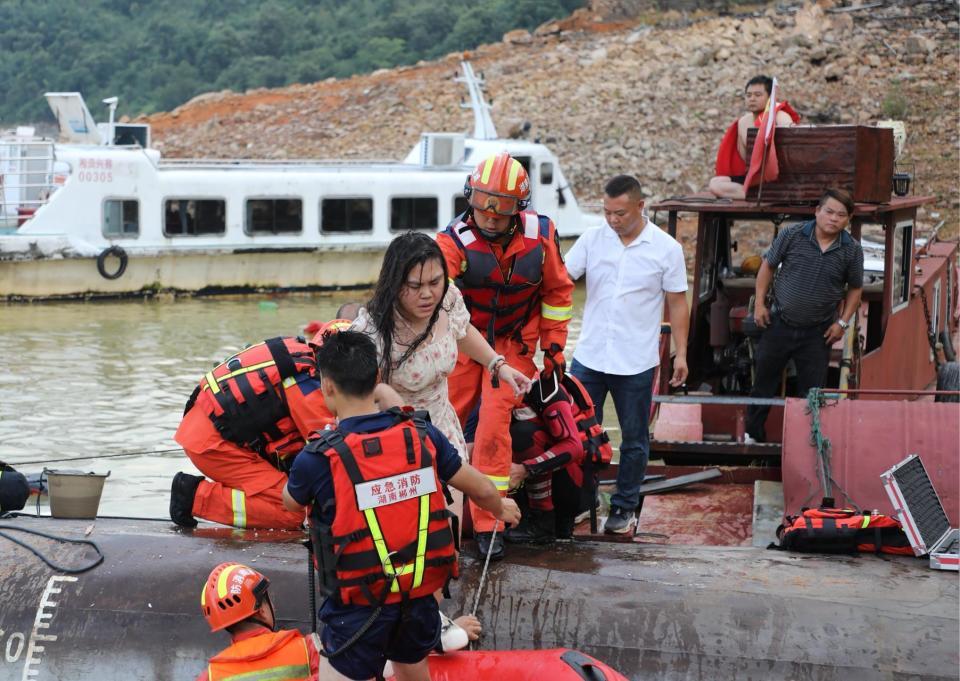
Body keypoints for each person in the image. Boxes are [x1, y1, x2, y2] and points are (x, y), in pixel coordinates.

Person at [282, 331, 521, 681]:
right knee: (412, 665)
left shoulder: (318, 457)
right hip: (419, 597)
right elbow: (481, 487)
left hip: (357, 607)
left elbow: (291, 502)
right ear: (378, 378)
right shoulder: (422, 435)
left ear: (327, 386)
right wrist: (500, 508)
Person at [350, 232, 531, 645]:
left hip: (442, 427)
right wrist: (389, 403)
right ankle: (421, 628)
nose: (427, 293)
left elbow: (463, 332)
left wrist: (498, 365)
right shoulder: (372, 330)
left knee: (444, 534)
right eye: (415, 286)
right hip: (396, 444)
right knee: (409, 542)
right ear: (394, 283)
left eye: (434, 281)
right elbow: (355, 398)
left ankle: (432, 619)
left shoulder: (448, 299)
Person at [438, 151, 574, 561]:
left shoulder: (541, 237)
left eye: (501, 210)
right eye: (483, 208)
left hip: (514, 344)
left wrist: (554, 348)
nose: (491, 218)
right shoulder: (452, 242)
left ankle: (489, 523)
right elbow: (435, 292)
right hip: (466, 343)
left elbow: (557, 293)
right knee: (444, 421)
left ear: (519, 208)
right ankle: (437, 516)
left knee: (494, 423)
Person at [566, 175, 689, 535]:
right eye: (606, 212)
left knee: (634, 439)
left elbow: (678, 303)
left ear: (640, 206)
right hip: (589, 356)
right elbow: (560, 279)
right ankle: (582, 503)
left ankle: (623, 507)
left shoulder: (666, 249)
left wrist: (681, 354)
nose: (612, 220)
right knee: (576, 434)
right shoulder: (592, 239)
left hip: (635, 362)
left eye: (620, 213)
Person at [171, 336, 334, 530]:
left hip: (206, 430)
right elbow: (332, 455)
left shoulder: (297, 360)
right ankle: (195, 497)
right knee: (292, 510)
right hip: (214, 444)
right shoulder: (306, 385)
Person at [745, 188, 863, 442]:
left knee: (811, 392)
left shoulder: (852, 250)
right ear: (817, 211)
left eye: (840, 215)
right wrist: (760, 305)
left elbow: (855, 288)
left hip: (818, 332)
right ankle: (752, 437)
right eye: (829, 212)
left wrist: (842, 323)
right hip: (779, 323)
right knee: (763, 382)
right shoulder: (792, 234)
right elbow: (767, 266)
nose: (833, 218)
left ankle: (804, 442)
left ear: (848, 219)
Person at [196, 562, 321, 681]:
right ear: (261, 610)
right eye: (269, 600)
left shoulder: (212, 675)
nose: (274, 607)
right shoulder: (307, 650)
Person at [709, 75, 800, 200]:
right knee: (715, 184)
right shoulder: (743, 122)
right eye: (748, 95)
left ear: (770, 97)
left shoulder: (779, 115)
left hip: (779, 176)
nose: (752, 99)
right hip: (755, 177)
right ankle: (758, 195)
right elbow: (745, 158)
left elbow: (793, 142)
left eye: (758, 95)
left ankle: (759, 194)